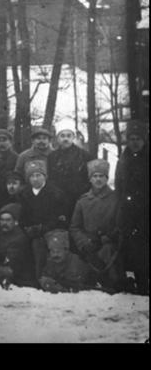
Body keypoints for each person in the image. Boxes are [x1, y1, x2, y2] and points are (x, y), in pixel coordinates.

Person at [70, 159, 124, 291]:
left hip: (109, 244)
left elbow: (121, 224)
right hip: (89, 245)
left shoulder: (116, 198)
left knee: (107, 256)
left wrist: (111, 237)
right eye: (95, 176)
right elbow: (74, 227)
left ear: (106, 178)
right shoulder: (83, 201)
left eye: (101, 176)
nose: (98, 179)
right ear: (90, 179)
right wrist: (83, 242)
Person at [17, 159, 68, 282]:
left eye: (38, 175)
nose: (35, 179)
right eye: (32, 176)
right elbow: (22, 215)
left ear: (44, 176)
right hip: (30, 231)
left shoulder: (56, 193)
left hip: (51, 230)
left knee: (40, 247)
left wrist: (42, 228)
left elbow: (59, 218)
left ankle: (42, 280)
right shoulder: (24, 193)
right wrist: (27, 228)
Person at [115, 120, 148, 295]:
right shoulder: (124, 159)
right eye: (131, 138)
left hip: (146, 210)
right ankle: (141, 284)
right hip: (129, 211)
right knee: (134, 249)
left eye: (139, 139)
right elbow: (119, 186)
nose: (135, 142)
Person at [47, 124, 91, 219]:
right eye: (62, 136)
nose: (65, 139)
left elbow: (89, 178)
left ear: (73, 137)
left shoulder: (84, 155)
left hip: (79, 198)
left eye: (68, 135)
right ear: (57, 138)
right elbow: (50, 178)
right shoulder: (52, 157)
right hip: (58, 199)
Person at [0, 203, 33, 286]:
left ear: (16, 222)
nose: (4, 223)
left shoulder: (19, 239)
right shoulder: (1, 234)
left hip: (21, 280)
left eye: (8, 220)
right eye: (2, 220)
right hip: (7, 273)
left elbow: (12, 266)